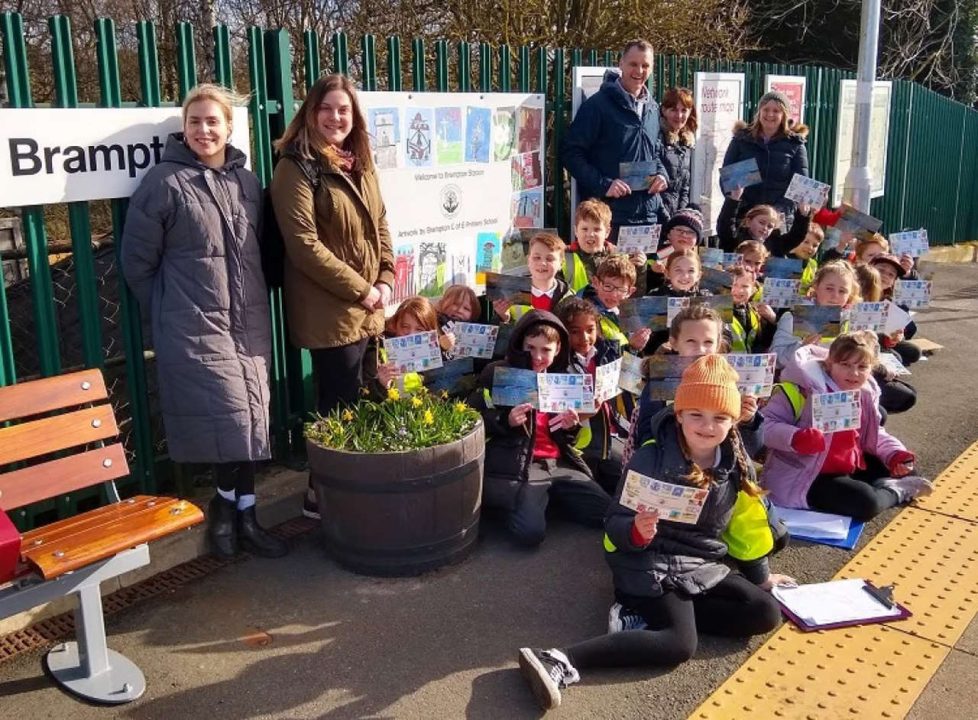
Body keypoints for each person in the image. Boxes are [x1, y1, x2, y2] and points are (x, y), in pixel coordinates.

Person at [517, 355, 792, 711]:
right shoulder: (651, 458)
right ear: (679, 415)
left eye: (720, 417)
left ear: (734, 419)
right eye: (696, 415)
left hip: (699, 563)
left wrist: (762, 577)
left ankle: (646, 619)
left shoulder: (733, 460)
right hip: (646, 560)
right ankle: (559, 659)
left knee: (764, 612)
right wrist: (637, 531)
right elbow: (614, 521)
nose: (708, 427)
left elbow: (745, 525)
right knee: (679, 645)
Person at [121, 84, 287, 559]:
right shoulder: (163, 183)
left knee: (251, 417)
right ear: (183, 127)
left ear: (229, 127)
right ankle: (226, 511)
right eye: (194, 121)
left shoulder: (246, 182)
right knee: (233, 417)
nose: (203, 130)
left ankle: (243, 515)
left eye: (213, 121)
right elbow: (138, 264)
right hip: (195, 326)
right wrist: (172, 310)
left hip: (249, 323)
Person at [269, 74, 395, 519]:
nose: (335, 117)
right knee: (337, 406)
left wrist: (385, 277)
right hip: (331, 310)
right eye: (327, 108)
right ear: (311, 111)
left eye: (344, 110)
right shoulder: (295, 165)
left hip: (368, 304)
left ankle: (350, 490)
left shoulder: (359, 161)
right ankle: (320, 496)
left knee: (363, 400)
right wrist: (361, 288)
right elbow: (302, 245)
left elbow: (380, 224)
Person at [469, 310, 611, 547]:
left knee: (608, 514)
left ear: (557, 350)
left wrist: (571, 426)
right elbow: (472, 417)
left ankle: (548, 498)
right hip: (523, 463)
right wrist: (505, 421)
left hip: (559, 461)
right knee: (530, 534)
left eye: (545, 350)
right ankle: (517, 505)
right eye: (530, 347)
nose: (537, 356)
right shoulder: (497, 373)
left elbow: (568, 438)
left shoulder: (563, 378)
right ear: (519, 344)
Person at [760, 332, 933, 520]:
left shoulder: (864, 392)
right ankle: (895, 492)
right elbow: (765, 426)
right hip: (808, 474)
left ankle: (886, 482)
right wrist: (796, 438)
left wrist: (895, 453)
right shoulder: (799, 389)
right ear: (829, 364)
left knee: (905, 469)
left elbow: (874, 433)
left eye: (862, 367)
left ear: (872, 369)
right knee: (867, 503)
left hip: (849, 462)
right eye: (845, 365)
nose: (854, 373)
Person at [562, 39, 668, 238]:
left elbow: (656, 151)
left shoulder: (653, 108)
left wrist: (662, 175)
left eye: (645, 65)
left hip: (647, 217)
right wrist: (605, 185)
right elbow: (571, 153)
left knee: (642, 270)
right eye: (633, 64)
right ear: (621, 64)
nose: (639, 71)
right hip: (609, 219)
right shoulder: (597, 106)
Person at [556, 297, 625, 493]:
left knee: (627, 480)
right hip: (578, 444)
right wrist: (580, 416)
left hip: (608, 435)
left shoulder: (607, 351)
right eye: (574, 332)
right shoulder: (558, 364)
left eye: (590, 330)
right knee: (591, 494)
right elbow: (554, 418)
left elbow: (627, 384)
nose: (584, 338)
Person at [721, 90, 809, 222]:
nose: (770, 114)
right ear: (759, 111)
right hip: (743, 217)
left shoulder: (795, 145)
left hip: (778, 220)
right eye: (766, 109)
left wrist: (777, 211)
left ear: (784, 115)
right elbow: (727, 180)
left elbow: (799, 187)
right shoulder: (742, 140)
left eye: (776, 111)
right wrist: (746, 209)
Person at [770, 260, 860, 369]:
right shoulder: (794, 317)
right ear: (816, 287)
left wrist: (867, 345)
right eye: (829, 288)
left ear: (850, 294)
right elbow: (776, 359)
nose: (835, 296)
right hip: (803, 380)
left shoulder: (853, 321)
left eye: (842, 291)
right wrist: (802, 347)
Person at [563, 199, 647, 293]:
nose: (590, 234)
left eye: (597, 229)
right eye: (584, 229)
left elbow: (634, 296)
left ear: (607, 232)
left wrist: (640, 269)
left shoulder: (622, 257)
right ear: (576, 231)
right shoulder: (563, 256)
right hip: (575, 306)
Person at [493, 232, 573, 321]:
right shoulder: (510, 294)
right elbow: (503, 332)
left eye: (549, 259)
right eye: (537, 258)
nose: (542, 263)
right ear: (528, 260)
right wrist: (504, 317)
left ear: (561, 264)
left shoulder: (569, 298)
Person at [658, 87, 697, 220]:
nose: (679, 116)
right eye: (673, 109)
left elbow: (684, 187)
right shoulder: (657, 138)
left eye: (684, 110)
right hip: (657, 216)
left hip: (676, 218)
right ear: (664, 110)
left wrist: (681, 216)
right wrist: (667, 218)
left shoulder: (686, 142)